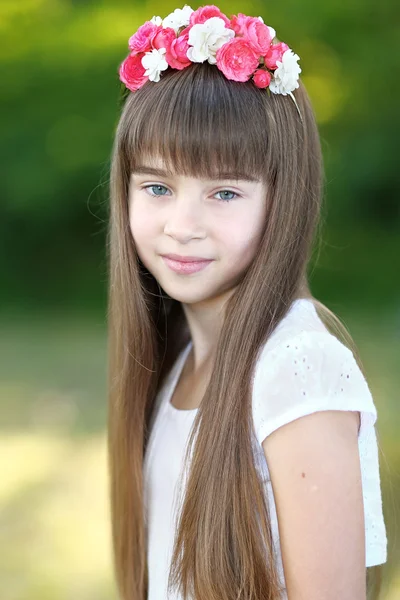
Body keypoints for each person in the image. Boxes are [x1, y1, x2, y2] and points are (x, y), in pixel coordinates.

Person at [106, 5, 387, 600]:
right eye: (157, 187)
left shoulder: (298, 368)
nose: (183, 226)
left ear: (282, 200)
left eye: (225, 192)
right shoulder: (179, 359)